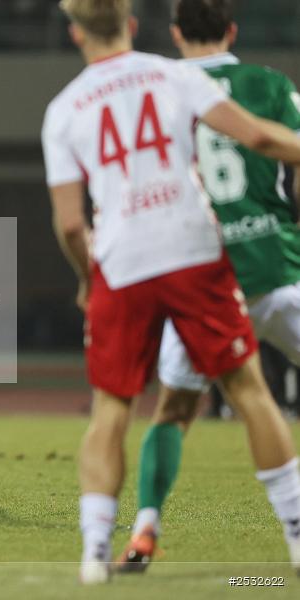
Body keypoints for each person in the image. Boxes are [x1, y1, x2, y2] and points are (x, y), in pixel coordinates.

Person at [42, 0, 300, 584]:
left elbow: (70, 224)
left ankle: (95, 551)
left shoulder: (64, 109)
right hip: (194, 252)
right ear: (132, 26)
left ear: (76, 33)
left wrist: (87, 277)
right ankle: (294, 534)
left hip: (122, 262)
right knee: (249, 389)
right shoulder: (172, 75)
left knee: (113, 407)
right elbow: (260, 138)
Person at [117, 0, 300, 572]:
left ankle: (144, 530)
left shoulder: (158, 91)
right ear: (232, 30)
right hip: (275, 264)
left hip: (199, 277)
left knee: (173, 410)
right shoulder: (271, 85)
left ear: (175, 33)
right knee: (258, 399)